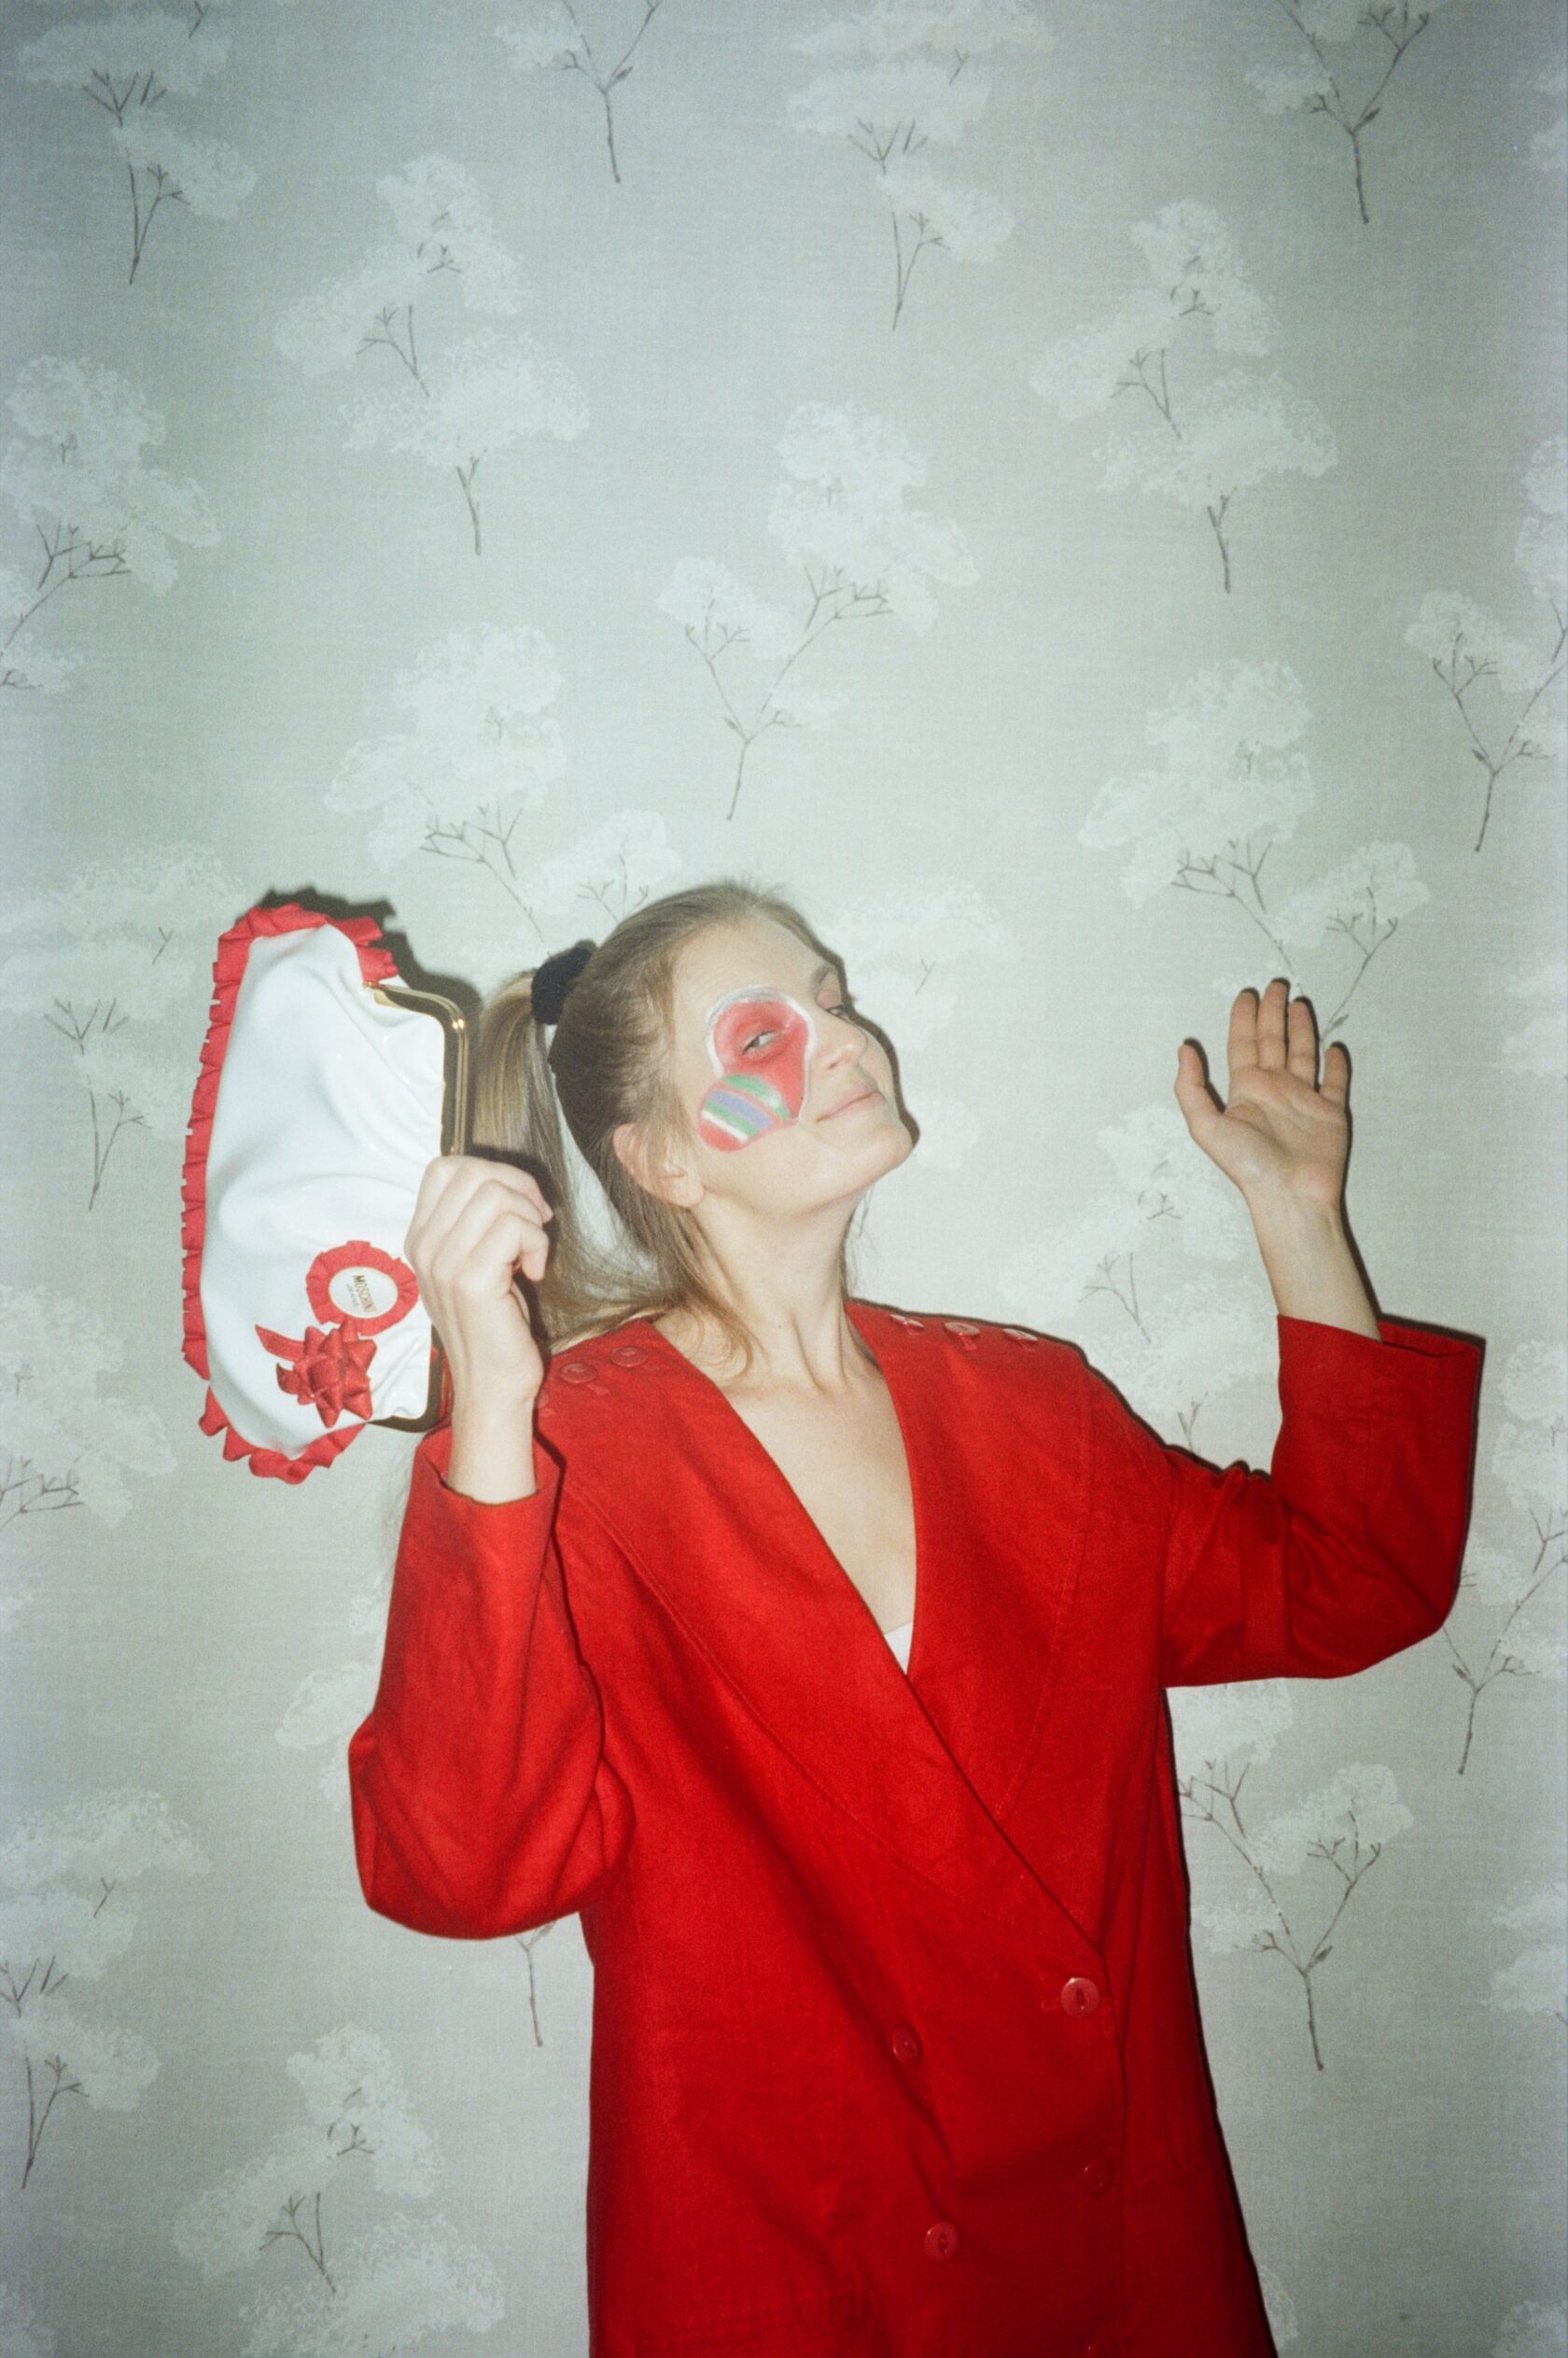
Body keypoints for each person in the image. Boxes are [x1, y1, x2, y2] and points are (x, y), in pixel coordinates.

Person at [347, 877, 1482, 2358]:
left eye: (831, 997)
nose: (844, 1037)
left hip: (1121, 2277)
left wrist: (1297, 1212)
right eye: (763, 1033)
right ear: (662, 1156)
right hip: (795, 2287)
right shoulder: (571, 1455)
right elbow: (463, 1871)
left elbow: (1355, 1577)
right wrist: (492, 1406)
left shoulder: (1037, 1409)